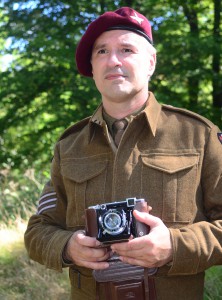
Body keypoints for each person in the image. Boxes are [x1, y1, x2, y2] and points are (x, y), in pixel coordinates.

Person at [24, 7, 222, 300]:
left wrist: (175, 246)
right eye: (101, 51)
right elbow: (38, 231)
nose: (113, 60)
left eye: (126, 49)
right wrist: (67, 246)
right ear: (92, 67)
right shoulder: (69, 146)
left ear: (151, 62)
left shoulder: (199, 136)